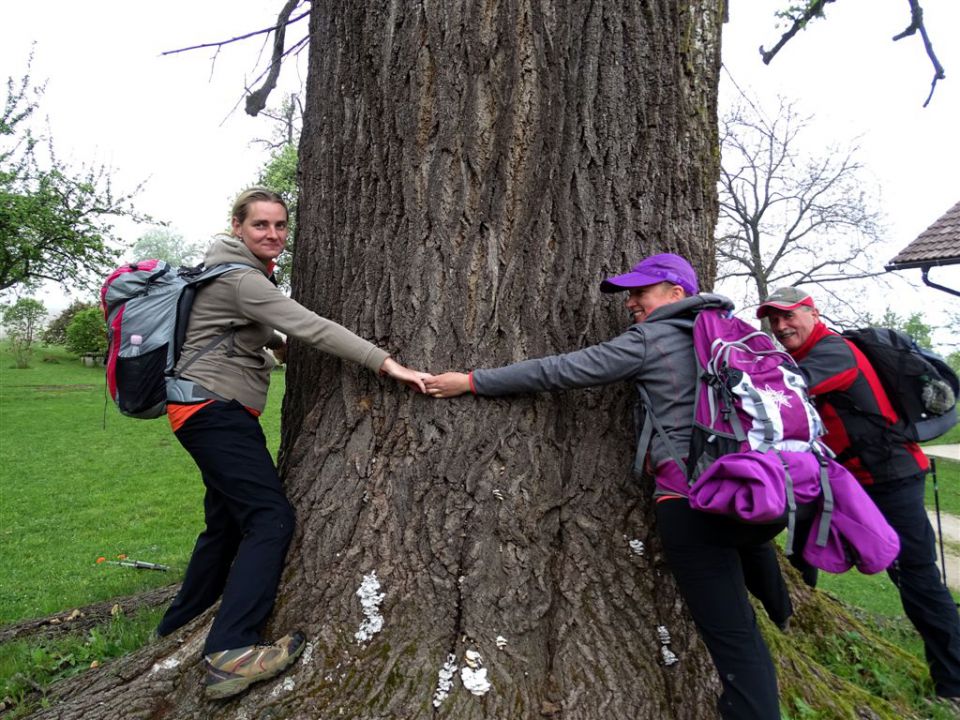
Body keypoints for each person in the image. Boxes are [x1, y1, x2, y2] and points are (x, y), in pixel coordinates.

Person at [425, 253, 791, 720]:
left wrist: (473, 381)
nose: (631, 303)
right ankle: (781, 606)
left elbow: (561, 370)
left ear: (676, 294)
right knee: (748, 556)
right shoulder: (731, 334)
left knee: (733, 636)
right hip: (759, 493)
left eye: (641, 292)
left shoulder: (652, 339)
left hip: (693, 504)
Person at [155, 188, 429, 700]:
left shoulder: (226, 271)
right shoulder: (241, 279)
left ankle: (178, 626)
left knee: (225, 524)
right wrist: (386, 362)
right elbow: (310, 326)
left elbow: (247, 333)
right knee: (270, 519)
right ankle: (229, 652)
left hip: (200, 408)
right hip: (215, 411)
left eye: (281, 225)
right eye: (261, 225)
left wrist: (273, 347)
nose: (273, 235)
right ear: (236, 226)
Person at [757, 286, 960, 702]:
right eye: (773, 320)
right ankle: (790, 629)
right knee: (800, 552)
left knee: (916, 578)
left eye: (788, 316)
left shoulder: (834, 352)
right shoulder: (803, 355)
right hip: (843, 482)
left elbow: (785, 389)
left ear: (812, 313)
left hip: (891, 479)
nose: (780, 326)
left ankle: (954, 683)